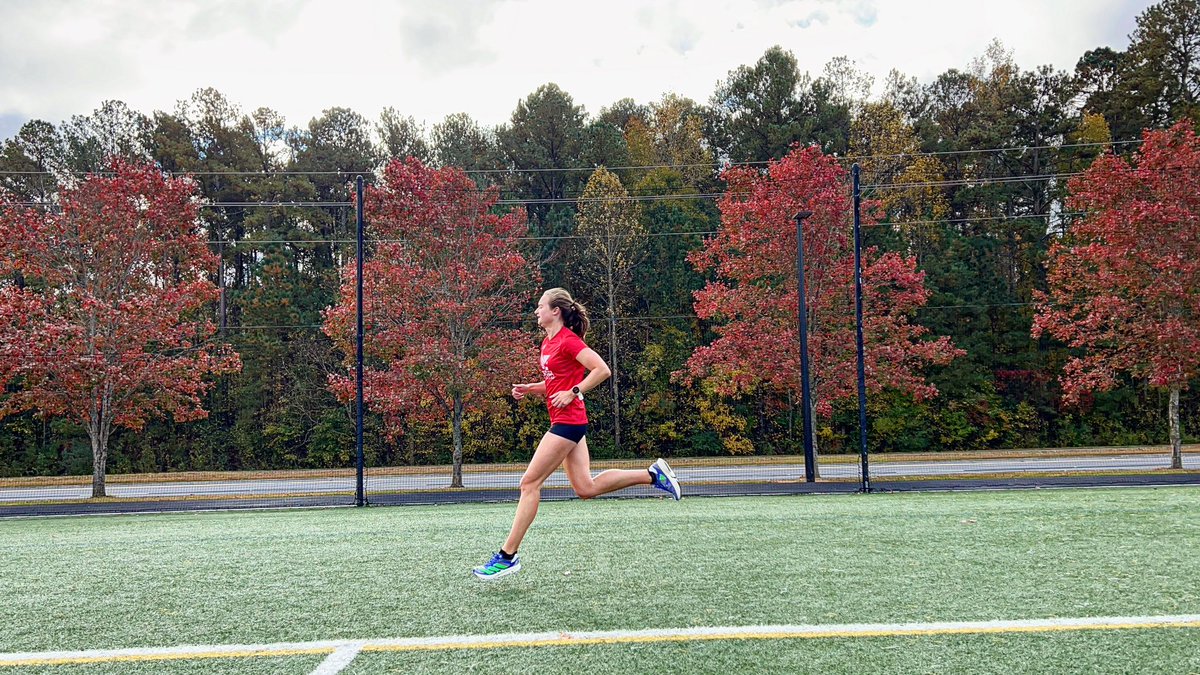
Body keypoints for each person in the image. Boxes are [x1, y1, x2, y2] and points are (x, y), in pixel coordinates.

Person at [472, 288, 681, 580]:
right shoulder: (548, 342)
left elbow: (601, 370)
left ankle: (507, 556)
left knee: (529, 483)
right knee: (586, 488)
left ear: (555, 311)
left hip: (568, 422)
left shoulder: (569, 341)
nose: (536, 311)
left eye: (540, 306)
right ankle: (652, 475)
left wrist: (574, 392)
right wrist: (531, 389)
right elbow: (554, 382)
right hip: (568, 421)